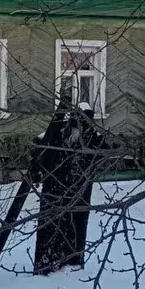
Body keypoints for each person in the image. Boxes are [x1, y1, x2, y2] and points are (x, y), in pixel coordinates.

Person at [32, 102, 107, 275]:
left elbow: (105, 150)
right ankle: (59, 263)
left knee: (69, 228)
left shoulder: (84, 137)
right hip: (61, 192)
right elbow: (41, 150)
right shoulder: (61, 135)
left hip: (70, 193)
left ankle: (66, 262)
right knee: (56, 228)